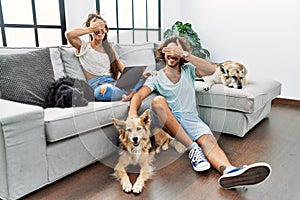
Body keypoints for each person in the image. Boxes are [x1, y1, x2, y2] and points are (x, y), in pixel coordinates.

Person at [127, 36, 272, 189]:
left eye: (176, 50)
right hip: (170, 119)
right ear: (163, 53)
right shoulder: (156, 77)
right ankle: (193, 149)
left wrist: (186, 54)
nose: (172, 54)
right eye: (168, 50)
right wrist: (132, 113)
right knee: (157, 101)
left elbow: (210, 70)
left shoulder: (188, 70)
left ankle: (230, 171)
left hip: (191, 119)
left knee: (209, 141)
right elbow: (138, 95)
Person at [65, 13, 147, 102]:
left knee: (146, 78)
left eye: (102, 26)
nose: (99, 30)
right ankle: (130, 93)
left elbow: (122, 70)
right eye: (96, 26)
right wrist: (92, 28)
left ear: (106, 30)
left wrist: (138, 75)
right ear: (90, 31)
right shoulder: (84, 46)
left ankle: (127, 93)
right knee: (105, 91)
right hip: (98, 86)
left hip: (115, 83)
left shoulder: (110, 48)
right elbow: (69, 34)